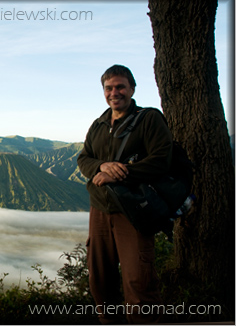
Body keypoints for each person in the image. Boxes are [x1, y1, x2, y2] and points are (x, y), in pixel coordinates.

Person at [77, 64, 173, 324]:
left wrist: (121, 172)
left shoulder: (149, 119)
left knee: (138, 282)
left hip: (134, 211)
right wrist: (100, 166)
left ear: (132, 88)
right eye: (109, 88)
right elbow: (84, 158)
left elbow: (162, 160)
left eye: (120, 86)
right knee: (100, 280)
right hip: (100, 210)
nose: (114, 92)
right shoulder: (99, 124)